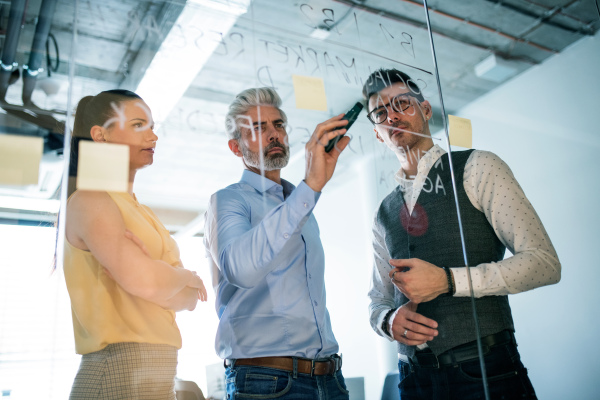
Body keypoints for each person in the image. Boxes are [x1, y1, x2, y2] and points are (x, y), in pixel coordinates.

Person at [364, 69, 561, 399]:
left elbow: (544, 263)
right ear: (378, 134)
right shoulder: (383, 211)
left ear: (425, 110)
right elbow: (377, 299)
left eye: (402, 104)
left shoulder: (479, 166)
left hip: (485, 370)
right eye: (381, 112)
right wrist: (387, 321)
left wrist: (448, 280)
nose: (392, 115)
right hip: (413, 381)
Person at [203, 87, 351, 399]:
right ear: (235, 146)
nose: (274, 134)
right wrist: (310, 186)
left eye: (278, 125)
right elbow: (241, 269)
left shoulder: (301, 207)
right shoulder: (228, 201)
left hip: (330, 379)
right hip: (266, 382)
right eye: (258, 128)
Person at [63, 89, 207, 400]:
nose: (153, 137)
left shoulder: (142, 212)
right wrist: (186, 277)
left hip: (158, 372)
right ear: (100, 136)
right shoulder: (91, 200)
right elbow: (148, 283)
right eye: (140, 125)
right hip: (118, 371)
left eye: (153, 127)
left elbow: (189, 300)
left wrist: (163, 280)